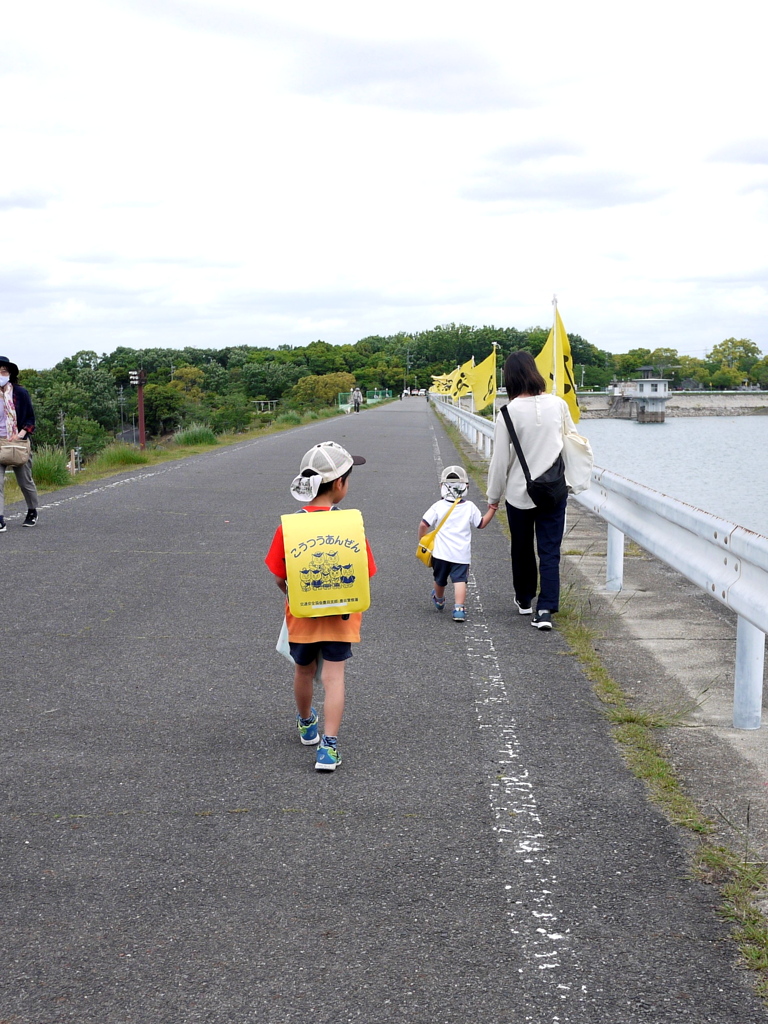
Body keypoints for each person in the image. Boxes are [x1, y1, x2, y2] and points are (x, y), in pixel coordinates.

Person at [265, 441, 376, 771]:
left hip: (302, 616)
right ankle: (328, 748)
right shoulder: (350, 526)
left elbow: (278, 575)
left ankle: (305, 724)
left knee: (303, 669)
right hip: (340, 616)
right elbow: (365, 573)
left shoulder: (289, 526)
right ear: (340, 483)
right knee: (333, 677)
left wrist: (291, 591)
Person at [486, 351, 577, 630]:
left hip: (519, 492)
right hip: (553, 490)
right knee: (550, 550)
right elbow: (572, 441)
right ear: (534, 372)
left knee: (522, 548)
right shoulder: (558, 404)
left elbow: (500, 460)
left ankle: (525, 600)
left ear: (509, 378)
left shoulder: (507, 412)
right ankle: (546, 609)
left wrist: (492, 500)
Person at [419, 465, 496, 623]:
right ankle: (459, 608)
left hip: (440, 553)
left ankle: (439, 599)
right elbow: (481, 524)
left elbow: (423, 524)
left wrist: (422, 539)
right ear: (466, 486)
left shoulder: (438, 506)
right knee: (460, 580)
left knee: (439, 579)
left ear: (442, 486)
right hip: (461, 554)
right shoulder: (469, 507)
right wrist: (492, 510)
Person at [0, 356, 39, 532]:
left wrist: (21, 434)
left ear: (10, 373)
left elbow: (30, 419)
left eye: (3, 371)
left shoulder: (20, 393)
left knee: (25, 481)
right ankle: (0, 518)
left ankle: (32, 511)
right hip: (0, 441)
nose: (1, 375)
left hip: (18, 442)